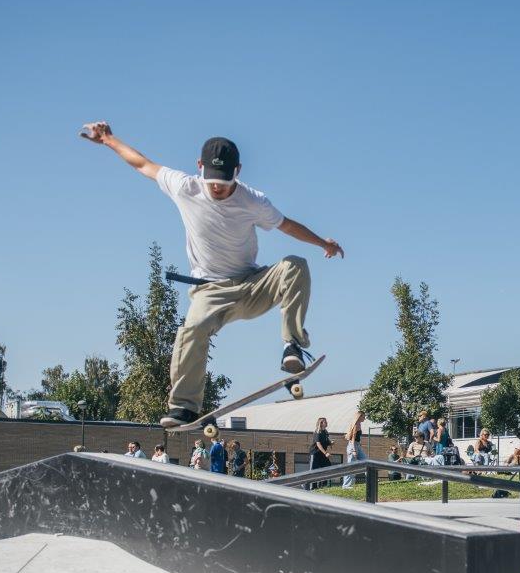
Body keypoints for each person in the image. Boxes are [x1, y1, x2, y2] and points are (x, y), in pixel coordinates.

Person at [80, 122, 344, 429]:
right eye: (211, 180)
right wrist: (109, 139)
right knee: (191, 330)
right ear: (199, 167)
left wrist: (322, 242)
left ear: (238, 171)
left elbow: (286, 225)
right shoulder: (184, 186)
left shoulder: (253, 200)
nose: (217, 187)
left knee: (295, 265)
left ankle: (293, 345)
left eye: (225, 180)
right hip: (209, 292)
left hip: (251, 285)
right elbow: (143, 164)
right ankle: (184, 407)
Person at [342, 411, 365, 488]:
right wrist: (354, 450)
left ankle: (371, 481)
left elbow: (357, 438)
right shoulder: (355, 425)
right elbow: (352, 439)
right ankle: (346, 485)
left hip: (357, 445)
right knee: (351, 466)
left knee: (366, 461)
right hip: (353, 446)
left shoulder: (359, 424)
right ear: (360, 416)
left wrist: (359, 444)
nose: (365, 418)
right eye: (363, 416)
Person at [310, 417, 332, 487]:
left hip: (322, 454)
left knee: (327, 467)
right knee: (314, 470)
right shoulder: (317, 432)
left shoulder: (325, 432)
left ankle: (323, 485)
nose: (327, 423)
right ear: (321, 423)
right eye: (325, 422)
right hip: (315, 453)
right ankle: (312, 487)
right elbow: (318, 444)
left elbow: (325, 442)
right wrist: (326, 453)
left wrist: (330, 443)